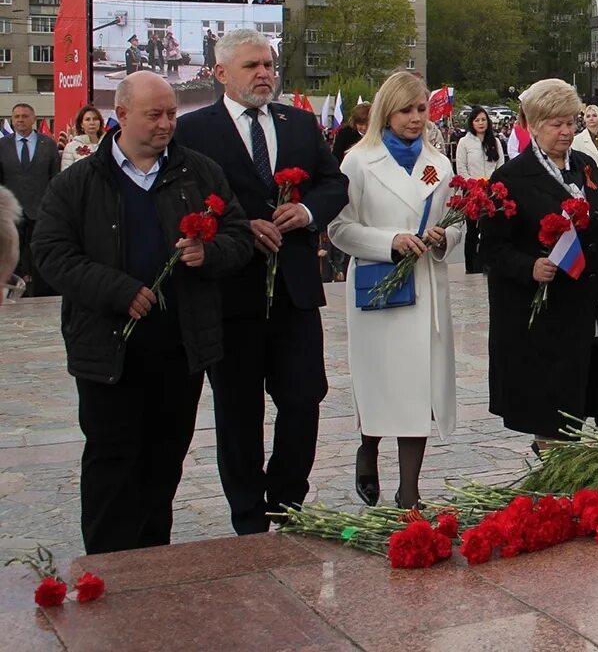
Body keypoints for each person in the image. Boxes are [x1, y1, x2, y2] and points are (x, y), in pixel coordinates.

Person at [31, 72, 252, 554]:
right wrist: (117, 290)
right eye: (155, 115)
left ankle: (153, 563)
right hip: (108, 350)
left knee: (164, 459)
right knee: (113, 459)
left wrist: (209, 254)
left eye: (173, 114)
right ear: (123, 115)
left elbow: (238, 236)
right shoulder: (79, 181)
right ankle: (110, 563)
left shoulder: (200, 172)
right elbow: (51, 253)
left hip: (180, 346)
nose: (166, 124)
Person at [174, 29, 348, 534]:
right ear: (221, 73)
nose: (264, 74)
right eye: (252, 66)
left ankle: (287, 497)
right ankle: (248, 514)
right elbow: (182, 198)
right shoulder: (194, 131)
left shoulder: (298, 123)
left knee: (303, 397)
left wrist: (308, 210)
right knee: (238, 413)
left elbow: (335, 181)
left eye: (269, 65)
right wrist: (235, 228)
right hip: (230, 295)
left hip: (294, 291)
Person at [329, 71, 464, 509]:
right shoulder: (357, 161)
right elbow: (339, 228)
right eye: (406, 110)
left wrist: (446, 239)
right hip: (378, 289)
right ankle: (368, 448)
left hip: (425, 287)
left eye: (421, 109)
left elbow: (454, 221)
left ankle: (410, 491)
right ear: (387, 112)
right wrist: (388, 242)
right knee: (380, 382)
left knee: (417, 387)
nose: (415, 118)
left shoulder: (439, 164)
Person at [484, 80, 598, 448]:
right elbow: (493, 248)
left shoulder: (585, 166)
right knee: (551, 401)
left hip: (587, 303)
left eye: (570, 122)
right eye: (555, 124)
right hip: (543, 313)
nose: (566, 131)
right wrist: (529, 267)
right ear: (533, 125)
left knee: (580, 391)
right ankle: (553, 464)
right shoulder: (511, 178)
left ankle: (562, 462)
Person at [0, 101, 61, 296]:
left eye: (25, 116)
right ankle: (15, 291)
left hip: (41, 208)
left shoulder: (48, 144)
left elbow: (55, 177)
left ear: (33, 119)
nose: (20, 120)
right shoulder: (2, 145)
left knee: (40, 252)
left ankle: (41, 291)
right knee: (12, 252)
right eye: (16, 117)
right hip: (13, 210)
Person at [456, 106, 502, 275]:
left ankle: (487, 263)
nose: (481, 123)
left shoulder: (495, 141)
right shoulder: (464, 142)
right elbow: (461, 169)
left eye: (483, 120)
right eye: (477, 120)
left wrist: (493, 185)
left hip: (491, 191)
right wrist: (475, 185)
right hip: (472, 191)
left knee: (490, 229)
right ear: (472, 122)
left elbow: (500, 166)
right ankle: (471, 266)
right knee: (473, 230)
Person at [61, 105, 108, 170]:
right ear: (81, 124)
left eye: (95, 119)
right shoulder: (71, 147)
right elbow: (65, 176)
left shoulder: (108, 145)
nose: (92, 123)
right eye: (87, 119)